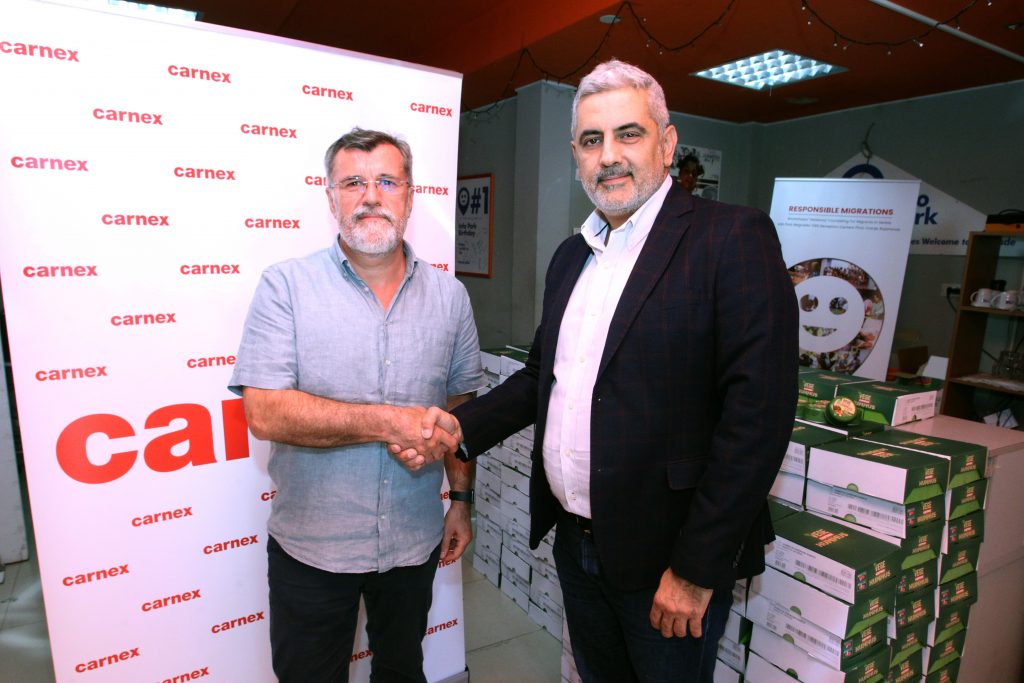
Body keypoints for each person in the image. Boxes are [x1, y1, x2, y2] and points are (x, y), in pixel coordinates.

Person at [409, 60, 797, 682]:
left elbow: (759, 419)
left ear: (666, 143)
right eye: (592, 140)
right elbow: (544, 375)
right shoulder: (572, 256)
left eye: (628, 134)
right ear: (576, 156)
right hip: (577, 544)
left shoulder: (731, 238)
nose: (609, 155)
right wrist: (461, 428)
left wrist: (696, 569)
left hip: (670, 557)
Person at [228, 127, 483, 683]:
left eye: (387, 182)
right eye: (353, 183)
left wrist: (461, 499)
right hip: (312, 551)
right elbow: (264, 413)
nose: (371, 196)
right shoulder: (285, 287)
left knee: (401, 671)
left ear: (410, 196)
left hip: (413, 544)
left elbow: (461, 408)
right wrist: (389, 421)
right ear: (331, 198)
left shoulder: (450, 297)